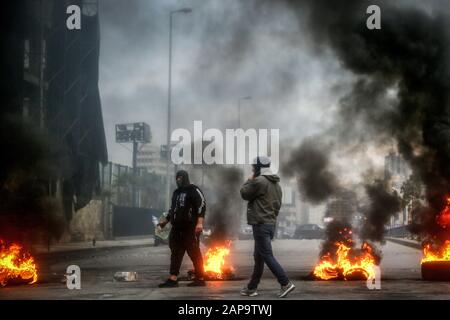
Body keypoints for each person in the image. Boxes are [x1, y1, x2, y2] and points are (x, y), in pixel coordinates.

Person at [240, 156, 295, 298]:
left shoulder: (259, 181)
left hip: (260, 224)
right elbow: (277, 206)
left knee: (267, 256)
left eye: (254, 167)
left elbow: (244, 193)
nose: (253, 169)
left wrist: (250, 178)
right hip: (270, 224)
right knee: (259, 258)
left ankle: (285, 283)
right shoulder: (277, 185)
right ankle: (251, 288)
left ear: (258, 168)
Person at [157, 170, 207, 287]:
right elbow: (173, 209)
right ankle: (173, 279)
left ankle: (200, 278)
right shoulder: (176, 193)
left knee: (194, 252)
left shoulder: (193, 189)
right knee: (175, 253)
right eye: (177, 178)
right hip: (176, 228)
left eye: (180, 177)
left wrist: (199, 223)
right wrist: (165, 222)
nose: (178, 180)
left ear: (185, 177)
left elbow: (202, 205)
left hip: (190, 228)